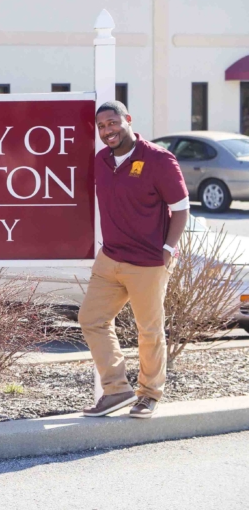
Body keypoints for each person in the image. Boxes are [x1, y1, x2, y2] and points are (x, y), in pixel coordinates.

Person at [80, 101, 189, 419]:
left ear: (127, 120)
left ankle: (149, 395)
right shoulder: (101, 160)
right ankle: (116, 390)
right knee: (91, 319)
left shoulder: (158, 159)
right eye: (101, 127)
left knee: (149, 330)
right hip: (110, 257)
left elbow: (181, 208)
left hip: (148, 262)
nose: (107, 131)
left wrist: (167, 250)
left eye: (113, 123)